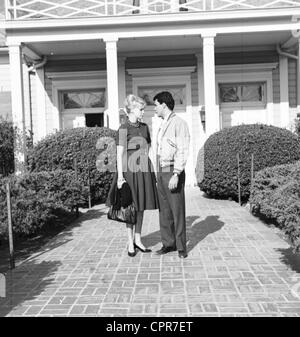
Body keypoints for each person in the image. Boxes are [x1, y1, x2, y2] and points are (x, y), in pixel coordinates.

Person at [106, 94, 159, 257]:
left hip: (143, 169)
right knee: (130, 207)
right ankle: (130, 242)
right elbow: (119, 153)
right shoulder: (123, 128)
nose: (143, 112)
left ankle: (138, 239)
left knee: (141, 206)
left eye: (143, 109)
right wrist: (120, 177)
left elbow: (149, 147)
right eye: (141, 109)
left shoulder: (144, 127)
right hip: (128, 171)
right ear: (132, 109)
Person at [153, 91, 190, 259]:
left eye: (156, 105)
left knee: (177, 210)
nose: (154, 109)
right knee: (164, 211)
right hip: (161, 171)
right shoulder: (162, 124)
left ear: (164, 105)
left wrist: (176, 173)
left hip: (172, 171)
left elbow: (182, 149)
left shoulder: (179, 123)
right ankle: (168, 244)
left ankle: (181, 247)